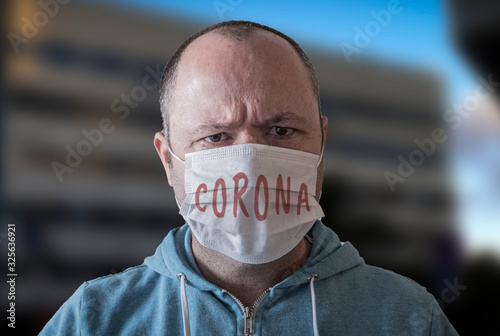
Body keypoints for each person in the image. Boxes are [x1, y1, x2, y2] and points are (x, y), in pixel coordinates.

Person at [39, 20, 459, 336]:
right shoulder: (94, 320)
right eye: (215, 136)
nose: (249, 163)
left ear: (321, 147)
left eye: (280, 131)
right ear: (168, 160)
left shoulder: (406, 318)